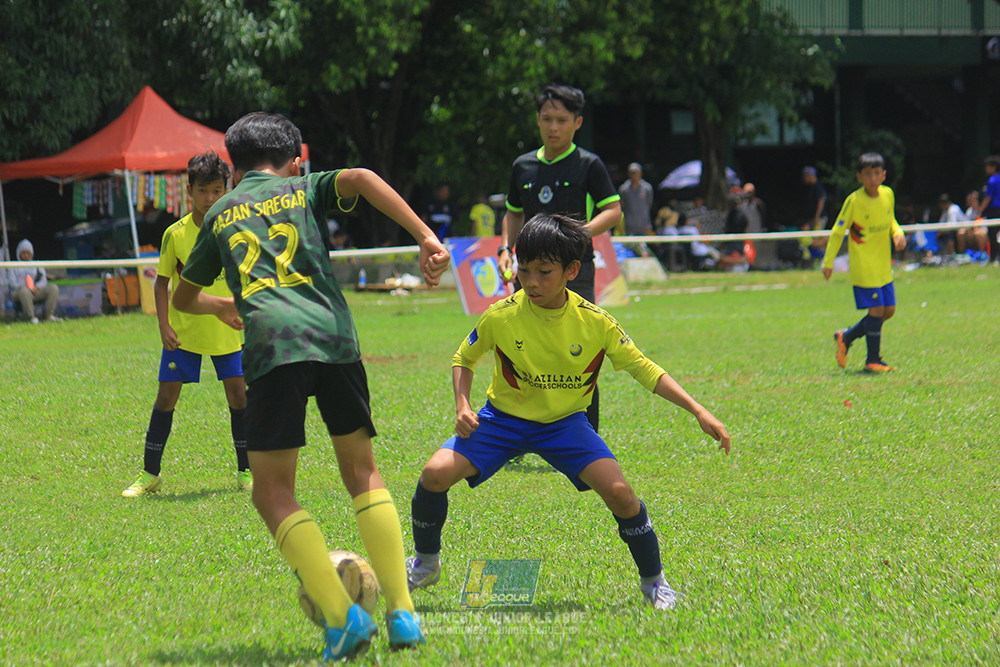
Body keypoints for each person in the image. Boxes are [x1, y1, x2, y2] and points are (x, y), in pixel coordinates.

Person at [172, 112, 450, 661]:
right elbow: (364, 178)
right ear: (295, 157)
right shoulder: (302, 187)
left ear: (231, 168)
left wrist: (222, 303)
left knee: (270, 488)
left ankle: (342, 619)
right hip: (334, 334)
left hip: (273, 344)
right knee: (362, 471)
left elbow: (182, 299)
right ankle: (402, 612)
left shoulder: (220, 213)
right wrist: (425, 235)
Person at [405, 213, 730, 612]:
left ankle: (655, 583)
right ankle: (425, 564)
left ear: (572, 270)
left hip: (565, 427)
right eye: (524, 270)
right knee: (434, 474)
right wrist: (463, 405)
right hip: (502, 421)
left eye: (544, 271)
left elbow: (645, 369)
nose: (532, 281)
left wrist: (697, 410)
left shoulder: (595, 322)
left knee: (621, 495)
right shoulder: (501, 314)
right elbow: (464, 357)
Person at [121, 152, 251, 499]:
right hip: (185, 334)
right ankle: (149, 473)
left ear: (228, 188)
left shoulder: (237, 229)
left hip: (229, 331)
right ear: (189, 190)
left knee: (239, 396)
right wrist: (164, 325)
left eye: (218, 190)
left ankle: (246, 470)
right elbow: (161, 283)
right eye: (204, 190)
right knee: (166, 396)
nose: (211, 198)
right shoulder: (174, 234)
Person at [497, 82, 622, 432]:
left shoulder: (589, 164)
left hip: (574, 271)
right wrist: (507, 250)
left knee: (580, 350)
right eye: (547, 119)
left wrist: (579, 235)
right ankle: (514, 432)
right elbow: (513, 213)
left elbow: (613, 211)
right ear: (537, 120)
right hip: (530, 273)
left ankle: (587, 436)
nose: (554, 127)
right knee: (520, 349)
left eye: (562, 120)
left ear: (577, 123)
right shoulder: (522, 166)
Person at [821, 153, 906, 373]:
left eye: (877, 173)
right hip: (864, 266)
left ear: (884, 175)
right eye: (867, 174)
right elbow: (838, 231)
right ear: (859, 176)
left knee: (889, 310)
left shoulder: (888, 195)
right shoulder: (854, 201)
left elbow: (891, 220)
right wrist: (828, 261)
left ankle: (846, 336)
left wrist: (898, 233)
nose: (872, 178)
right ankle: (873, 360)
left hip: (882, 265)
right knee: (877, 309)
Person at [6, 239, 60, 323]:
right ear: (19, 253)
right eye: (23, 253)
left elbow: (43, 279)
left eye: (28, 253)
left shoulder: (37, 265)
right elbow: (12, 283)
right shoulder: (13, 266)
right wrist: (25, 287)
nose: (26, 255)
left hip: (35, 291)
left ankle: (49, 315)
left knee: (53, 288)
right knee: (24, 292)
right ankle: (31, 317)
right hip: (20, 292)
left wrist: (37, 287)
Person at [618, 162, 654, 236]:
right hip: (629, 225)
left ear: (640, 173)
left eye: (636, 173)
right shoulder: (624, 189)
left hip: (644, 224)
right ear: (629, 174)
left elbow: (649, 203)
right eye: (632, 173)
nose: (634, 175)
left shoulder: (647, 188)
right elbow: (621, 205)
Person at [801, 166, 829, 260]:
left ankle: (831, 239)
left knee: (816, 241)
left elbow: (821, 200)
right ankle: (820, 259)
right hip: (815, 218)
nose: (804, 178)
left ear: (811, 175)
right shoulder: (812, 187)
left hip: (819, 218)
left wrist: (817, 217)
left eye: (806, 175)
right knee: (815, 240)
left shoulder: (818, 185)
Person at [976, 155, 1000, 262]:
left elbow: (988, 197)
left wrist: (980, 210)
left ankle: (993, 258)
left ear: (993, 167)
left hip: (994, 211)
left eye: (987, 166)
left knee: (993, 235)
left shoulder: (992, 180)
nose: (986, 169)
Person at [957, 190, 988, 255]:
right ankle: (962, 255)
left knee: (979, 233)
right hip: (971, 232)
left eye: (970, 200)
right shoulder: (969, 211)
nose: (968, 202)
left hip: (982, 232)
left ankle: (982, 254)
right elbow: (966, 224)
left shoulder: (983, 210)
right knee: (961, 233)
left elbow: (985, 227)